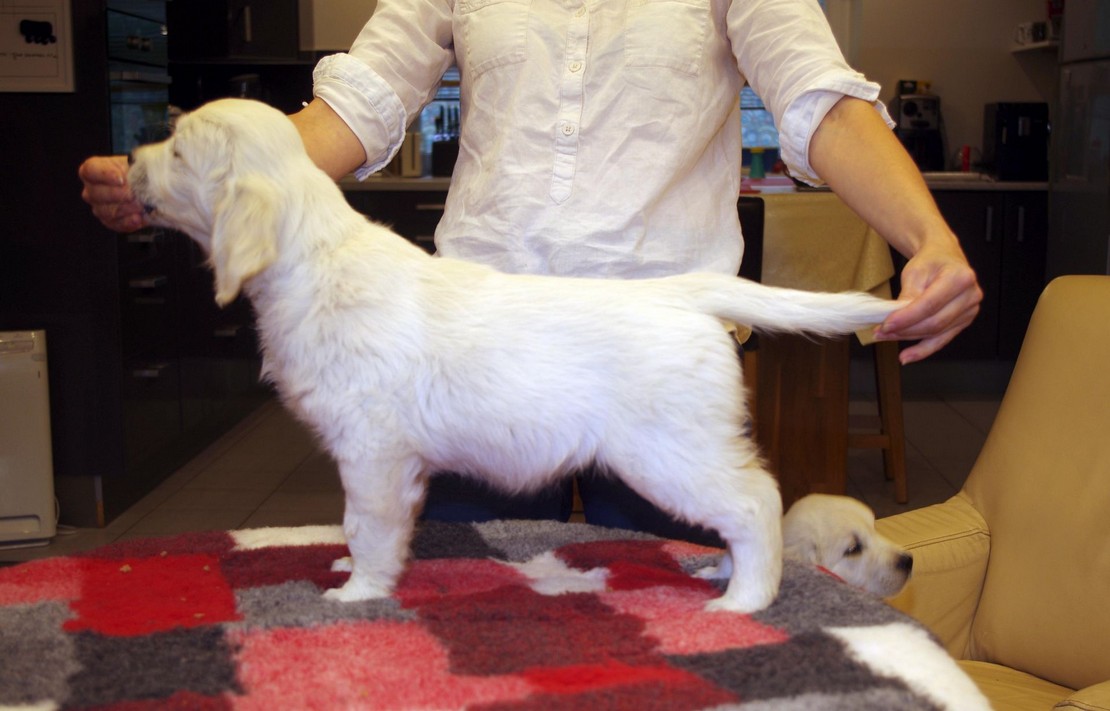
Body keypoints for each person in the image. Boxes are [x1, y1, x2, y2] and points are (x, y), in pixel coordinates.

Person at [79, 0, 981, 543]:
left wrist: (929, 238)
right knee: (471, 614)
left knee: (668, 626)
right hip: (475, 352)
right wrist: (190, 178)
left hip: (649, 349)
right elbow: (359, 105)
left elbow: (822, 102)